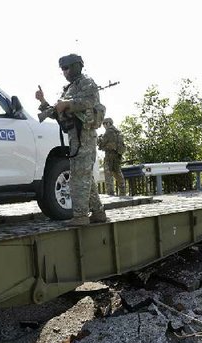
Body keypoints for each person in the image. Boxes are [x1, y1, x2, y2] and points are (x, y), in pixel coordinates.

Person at [35, 53, 106, 226]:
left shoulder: (86, 83)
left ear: (76, 66)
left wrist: (68, 104)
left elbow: (90, 101)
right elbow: (56, 112)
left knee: (78, 177)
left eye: (67, 68)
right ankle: (98, 212)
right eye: (62, 69)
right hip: (75, 137)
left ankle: (81, 216)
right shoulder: (69, 88)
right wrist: (43, 101)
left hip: (85, 136)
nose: (65, 72)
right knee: (84, 175)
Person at [98, 117, 127, 196]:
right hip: (117, 155)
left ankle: (110, 194)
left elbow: (102, 143)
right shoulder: (117, 132)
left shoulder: (108, 132)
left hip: (109, 155)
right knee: (117, 173)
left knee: (108, 174)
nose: (104, 126)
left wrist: (99, 139)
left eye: (104, 124)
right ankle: (123, 192)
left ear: (108, 123)